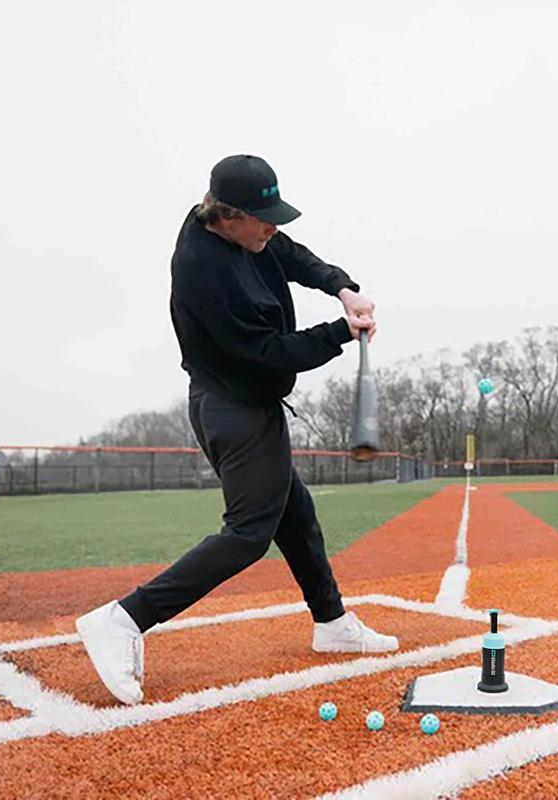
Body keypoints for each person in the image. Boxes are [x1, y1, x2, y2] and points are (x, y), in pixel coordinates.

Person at [75, 154, 398, 705]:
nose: (273, 228)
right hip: (233, 405)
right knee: (250, 531)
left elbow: (290, 254)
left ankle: (331, 622)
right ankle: (125, 618)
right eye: (262, 219)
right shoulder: (205, 271)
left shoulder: (246, 234)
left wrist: (342, 287)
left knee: (295, 515)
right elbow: (269, 355)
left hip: (247, 404)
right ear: (225, 216)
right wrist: (340, 332)